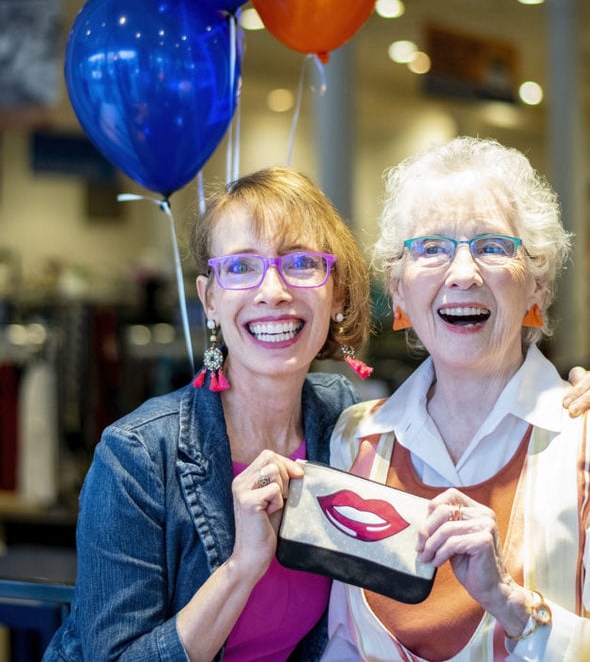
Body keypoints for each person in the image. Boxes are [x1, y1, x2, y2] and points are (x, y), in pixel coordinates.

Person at [43, 166, 372, 662]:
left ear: (337, 291)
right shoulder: (136, 456)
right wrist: (242, 566)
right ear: (209, 300)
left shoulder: (346, 421)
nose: (273, 291)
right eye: (241, 268)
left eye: (301, 262)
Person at [324, 136, 590, 661]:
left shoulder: (582, 440)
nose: (463, 274)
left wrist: (510, 602)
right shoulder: (355, 438)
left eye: (493, 246)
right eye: (432, 248)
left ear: (538, 282)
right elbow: (341, 642)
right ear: (397, 289)